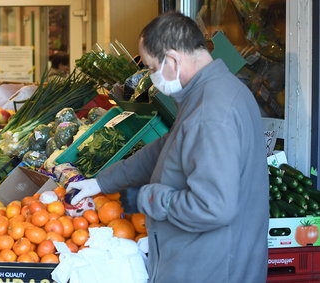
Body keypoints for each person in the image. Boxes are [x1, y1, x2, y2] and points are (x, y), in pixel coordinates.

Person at [68, 11, 269, 283]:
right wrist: (102, 183)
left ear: (173, 60)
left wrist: (146, 198)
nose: (151, 77)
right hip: (206, 259)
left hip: (209, 269)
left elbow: (212, 207)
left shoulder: (211, 113)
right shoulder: (216, 91)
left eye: (151, 68)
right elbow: (170, 146)